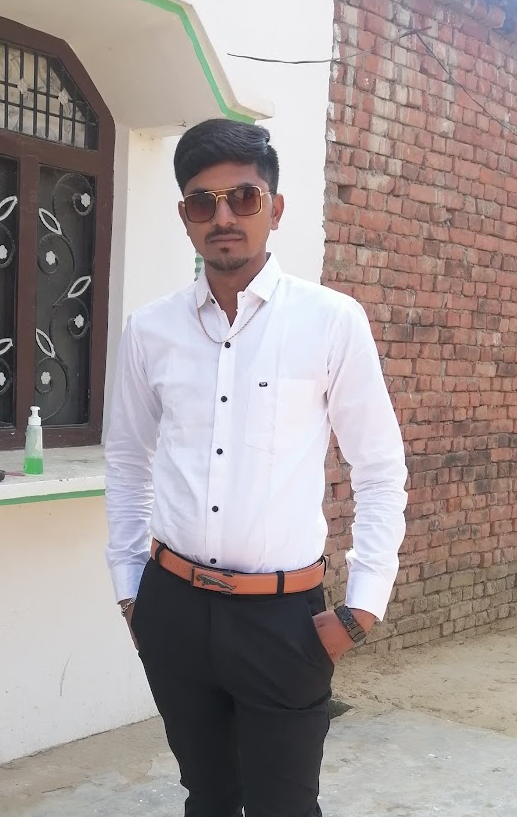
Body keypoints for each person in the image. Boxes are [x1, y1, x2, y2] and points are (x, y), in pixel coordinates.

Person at [104, 118, 407, 817]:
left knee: (285, 807)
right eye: (201, 202)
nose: (223, 217)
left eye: (243, 197)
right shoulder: (151, 330)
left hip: (281, 619)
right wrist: (130, 590)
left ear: (275, 208)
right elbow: (127, 459)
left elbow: (379, 466)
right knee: (207, 797)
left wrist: (362, 605)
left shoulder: (330, 321)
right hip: (173, 607)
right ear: (185, 216)